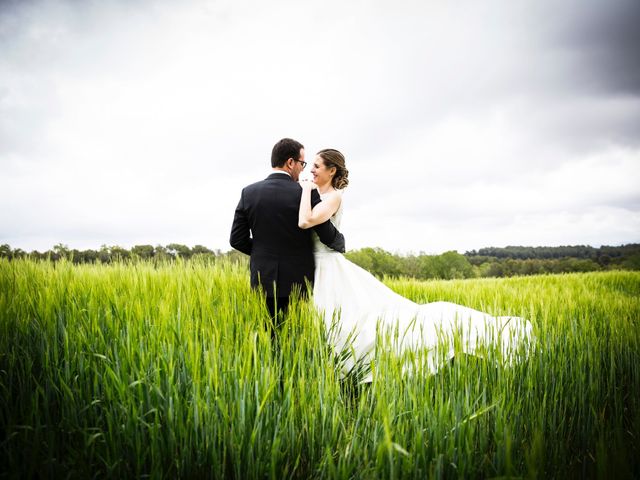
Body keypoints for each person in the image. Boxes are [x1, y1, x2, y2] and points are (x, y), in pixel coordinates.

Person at [298, 148, 533, 383]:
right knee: (334, 322)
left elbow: (307, 220)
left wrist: (306, 188)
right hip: (315, 265)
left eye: (317, 166)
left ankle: (347, 371)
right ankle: (330, 370)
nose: (312, 170)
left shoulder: (334, 197)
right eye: (312, 166)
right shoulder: (315, 193)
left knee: (345, 323)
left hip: (329, 266)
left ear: (332, 170)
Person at [229, 138, 346, 333]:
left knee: (268, 335)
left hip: (262, 277)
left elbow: (237, 240)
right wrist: (340, 242)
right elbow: (325, 234)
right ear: (290, 162)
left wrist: (263, 253)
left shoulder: (248, 193)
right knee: (295, 338)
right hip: (298, 279)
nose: (303, 169)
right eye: (302, 164)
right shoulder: (305, 193)